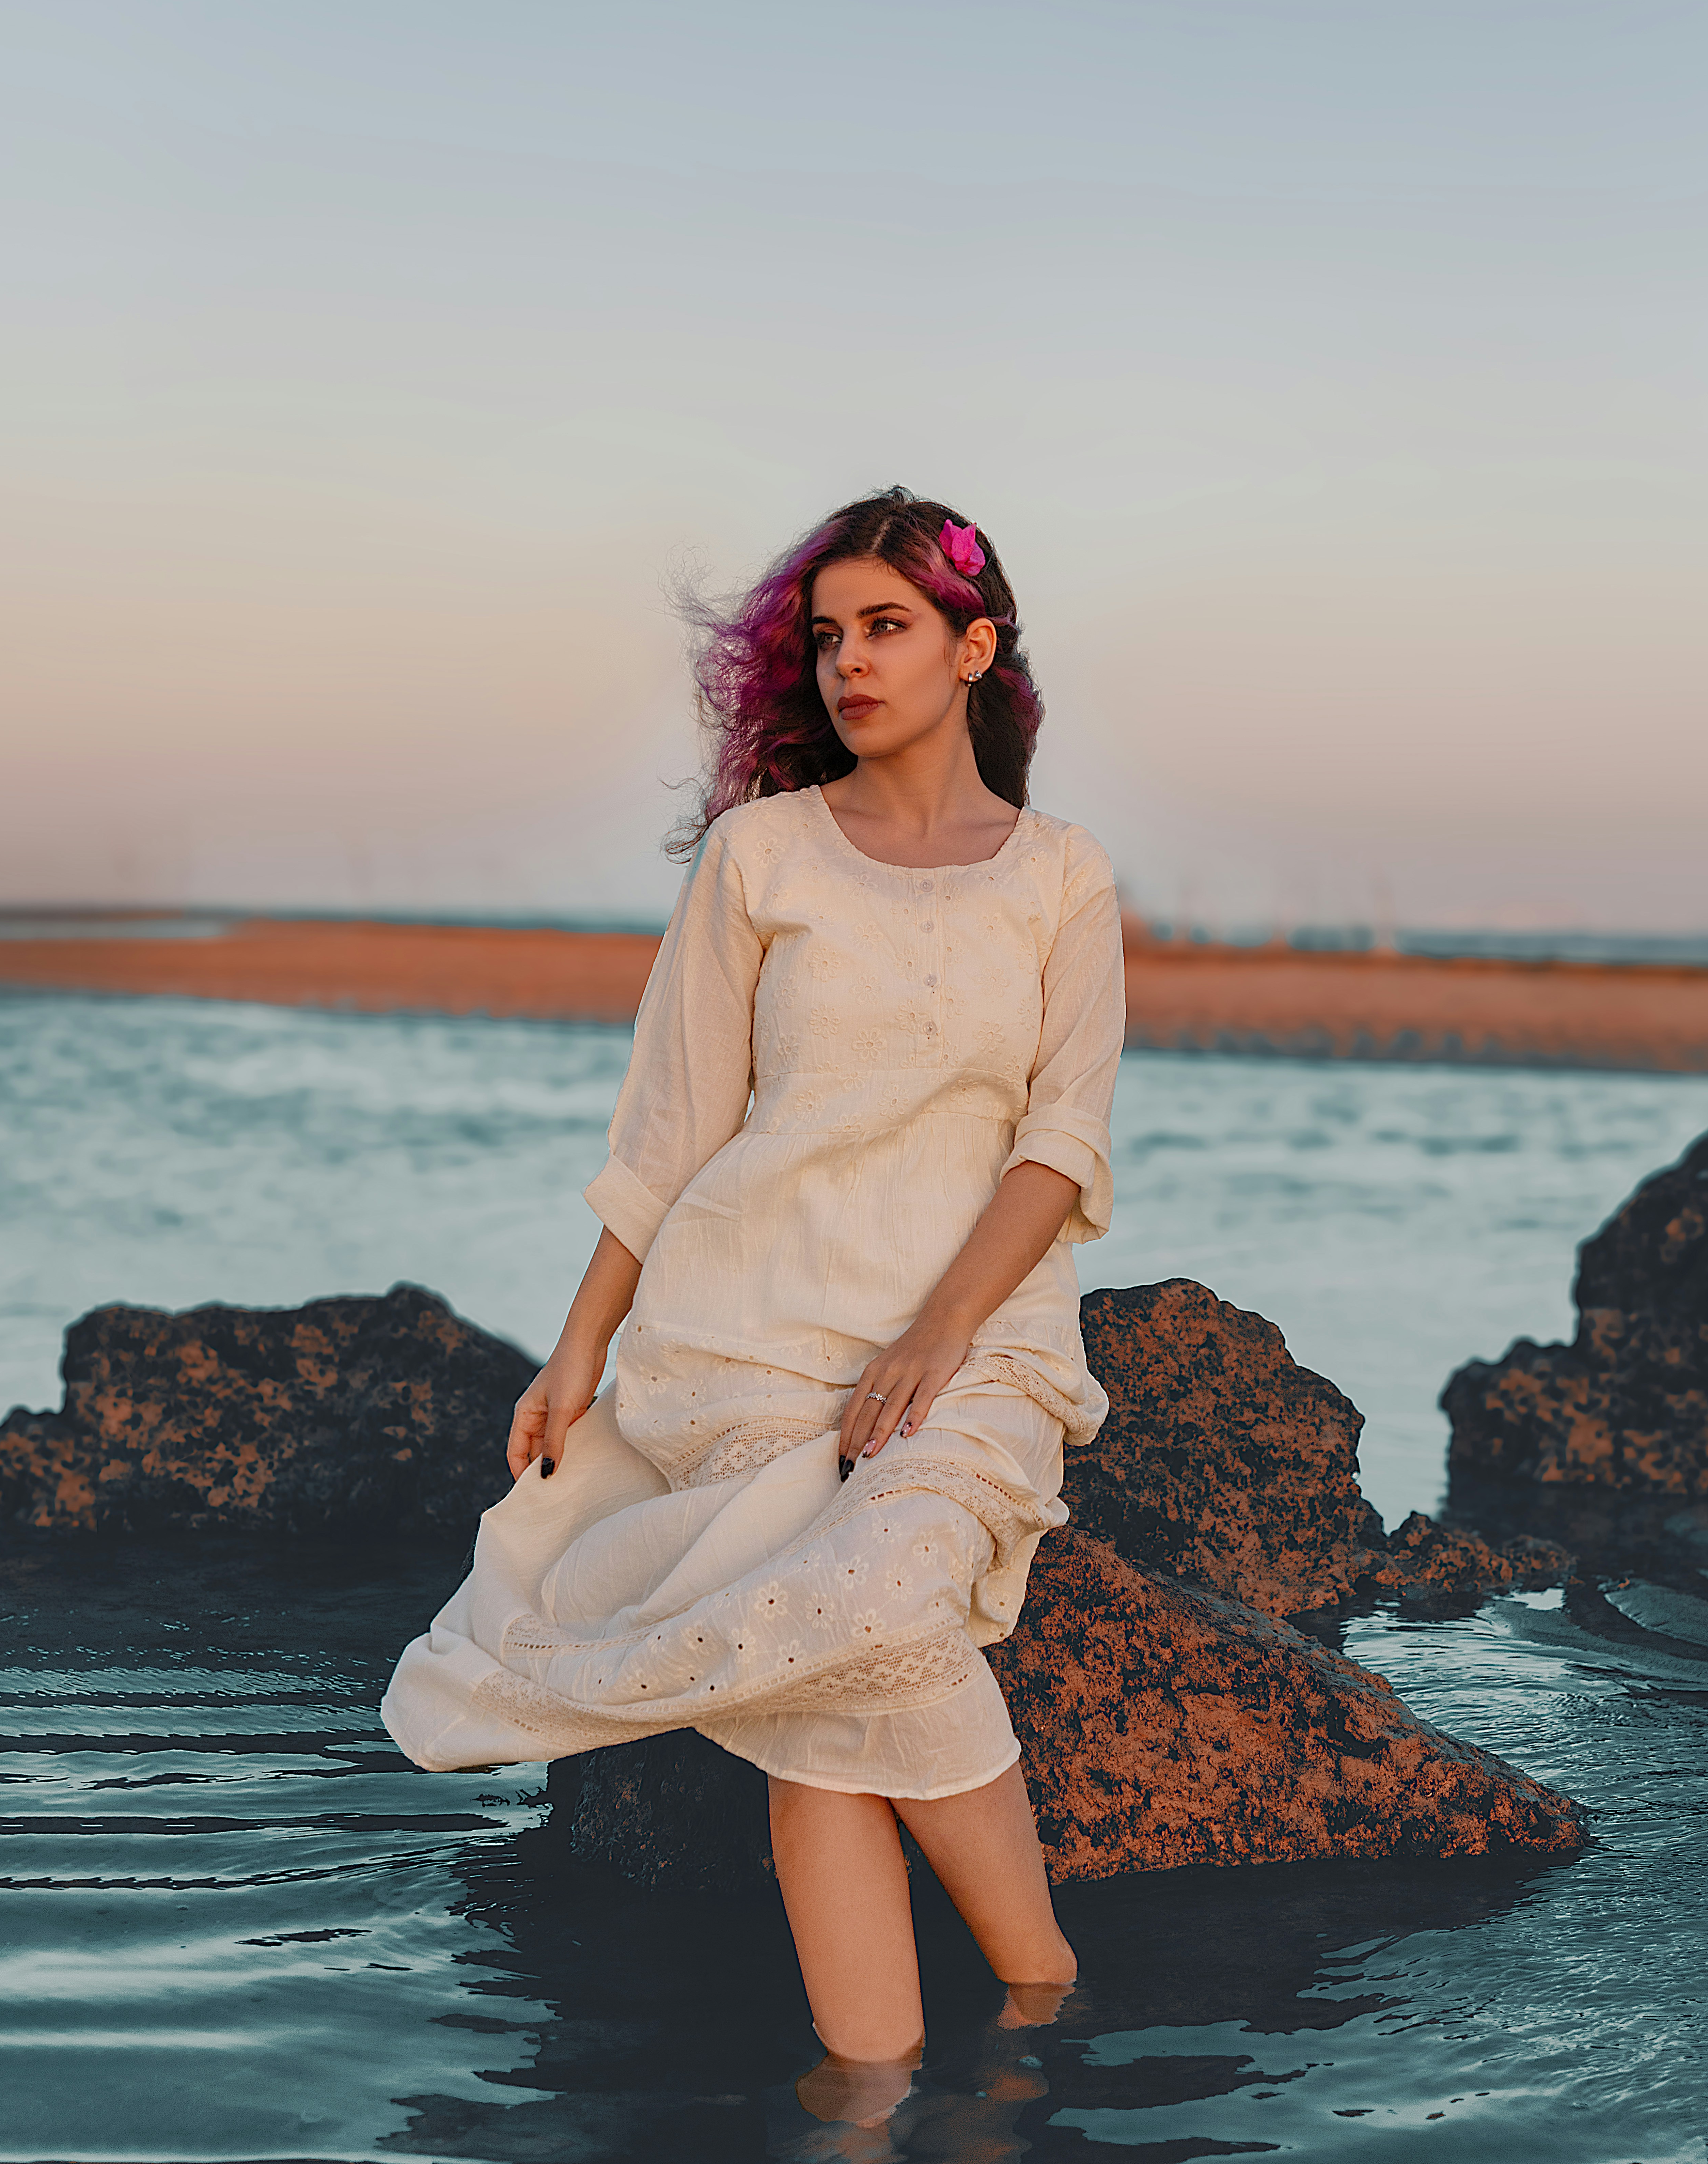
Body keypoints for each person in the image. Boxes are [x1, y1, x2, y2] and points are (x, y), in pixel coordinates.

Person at [382, 486, 1125, 2103]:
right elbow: (671, 1129)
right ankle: (901, 2096)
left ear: (970, 644)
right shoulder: (759, 854)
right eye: (826, 634)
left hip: (977, 1347)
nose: (848, 661)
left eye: (886, 626)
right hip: (742, 1340)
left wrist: (938, 1338)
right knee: (819, 1718)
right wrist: (575, 1349)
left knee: (870, 1608)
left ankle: (1037, 1991)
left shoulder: (1061, 875)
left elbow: (1059, 1142)